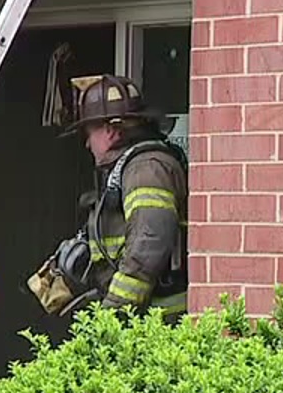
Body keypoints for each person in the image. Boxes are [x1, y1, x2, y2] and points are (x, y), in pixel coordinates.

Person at [28, 74, 187, 320]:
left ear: (111, 130)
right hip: (143, 317)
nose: (87, 145)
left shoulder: (146, 169)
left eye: (89, 133)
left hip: (158, 322)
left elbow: (148, 245)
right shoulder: (130, 168)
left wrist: (113, 313)